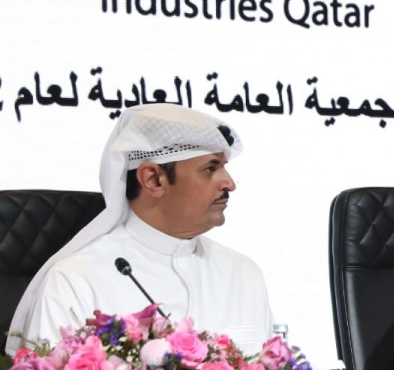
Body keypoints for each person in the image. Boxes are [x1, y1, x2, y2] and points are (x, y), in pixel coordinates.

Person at [6, 104, 274, 356]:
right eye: (210, 169)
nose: (229, 183)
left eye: (224, 168)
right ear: (153, 179)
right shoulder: (76, 281)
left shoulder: (244, 274)